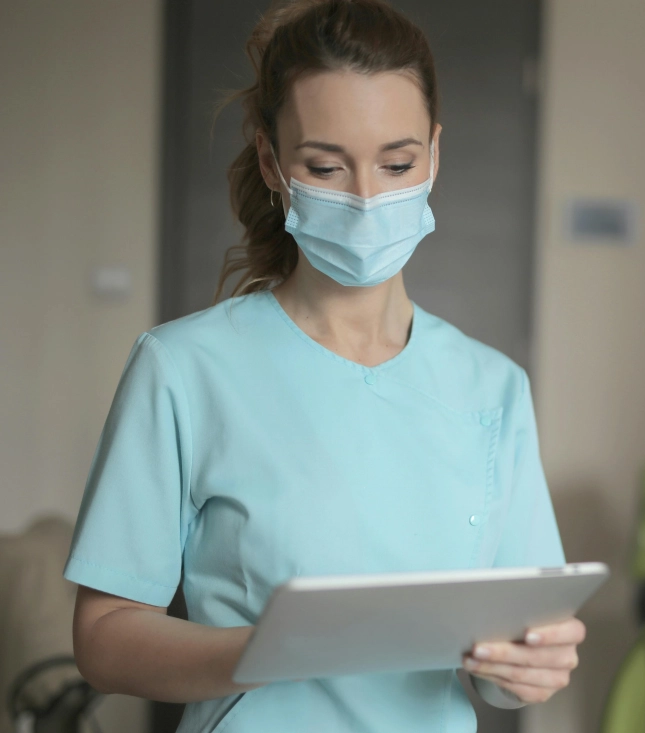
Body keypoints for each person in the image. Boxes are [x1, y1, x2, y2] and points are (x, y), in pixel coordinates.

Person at [64, 1, 583, 731]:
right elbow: (104, 639)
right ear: (272, 163)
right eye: (326, 166)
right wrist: (279, 648)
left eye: (397, 164)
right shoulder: (183, 369)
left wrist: (527, 672)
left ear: (434, 155)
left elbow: (512, 661)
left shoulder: (493, 387)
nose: (367, 198)